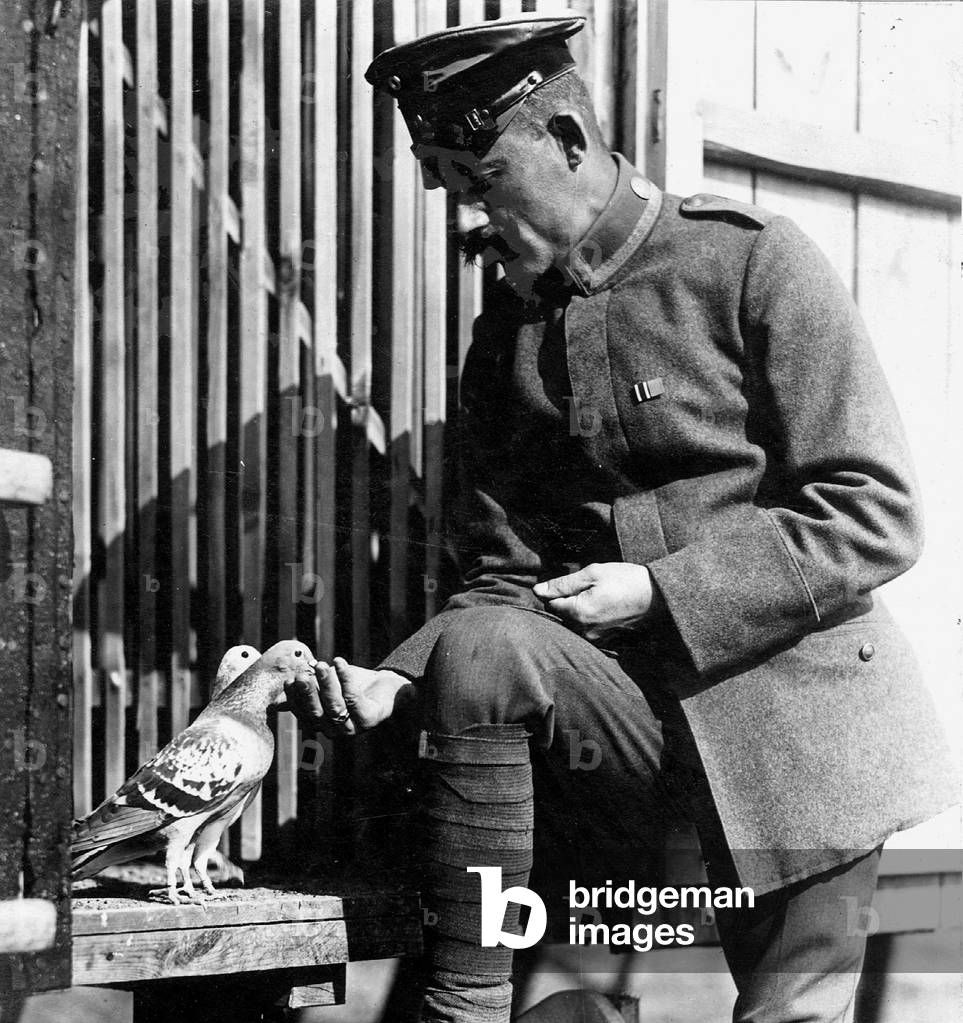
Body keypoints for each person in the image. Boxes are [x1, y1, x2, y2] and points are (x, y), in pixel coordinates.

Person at [287, 14, 957, 1023]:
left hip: (799, 729)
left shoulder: (748, 261)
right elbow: (503, 576)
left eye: (482, 177)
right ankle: (463, 1009)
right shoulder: (504, 338)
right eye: (444, 182)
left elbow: (875, 510)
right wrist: (403, 677)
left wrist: (657, 589)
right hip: (633, 742)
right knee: (481, 645)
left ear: (567, 140)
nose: (467, 211)